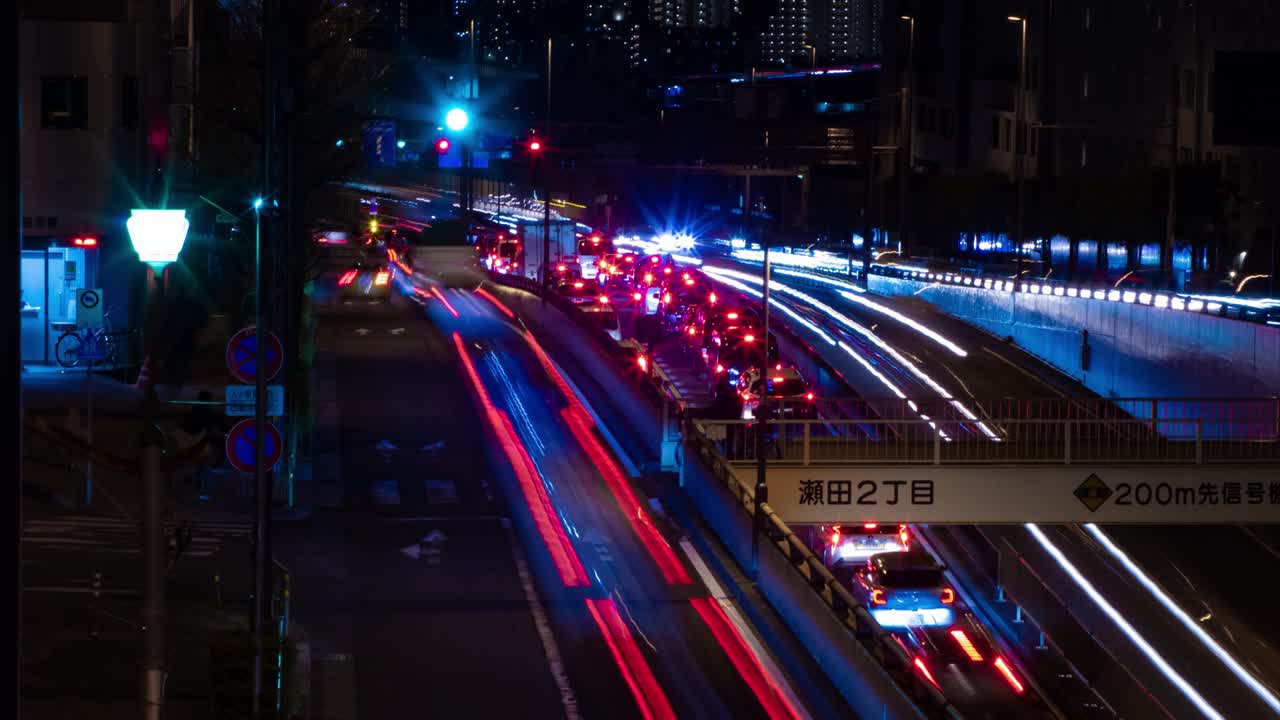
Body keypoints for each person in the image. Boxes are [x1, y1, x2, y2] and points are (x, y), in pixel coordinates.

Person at [181, 391, 228, 499]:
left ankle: (199, 482)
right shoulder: (207, 412)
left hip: (193, 441)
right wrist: (228, 430)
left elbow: (185, 425)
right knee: (217, 449)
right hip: (203, 440)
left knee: (200, 463)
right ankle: (216, 466)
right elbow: (219, 424)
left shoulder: (194, 411)